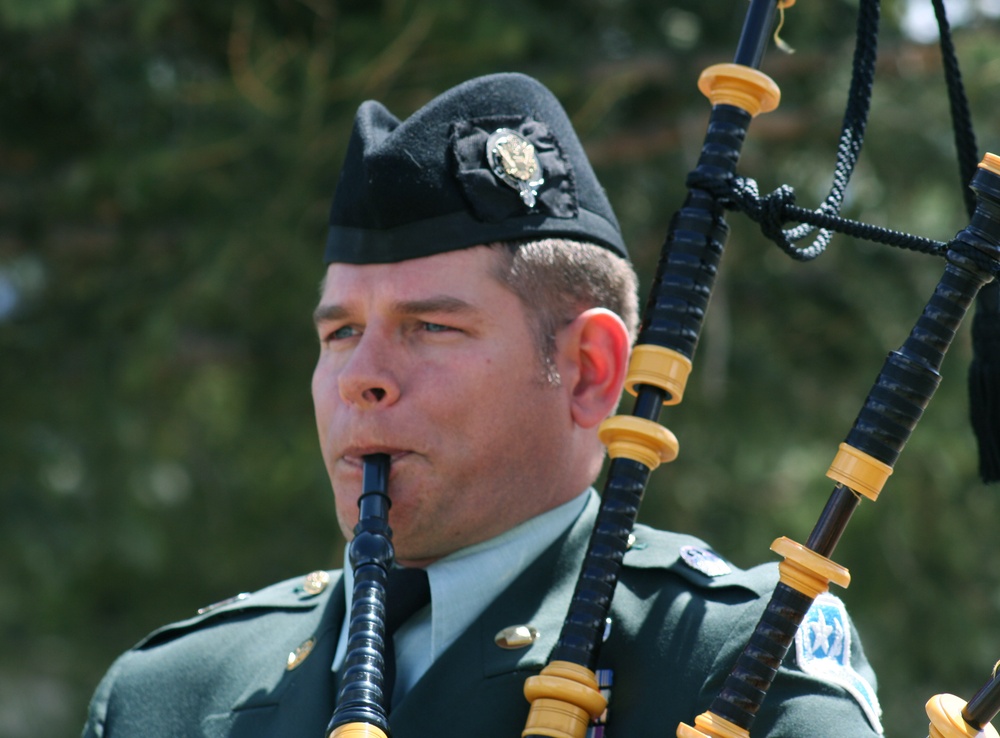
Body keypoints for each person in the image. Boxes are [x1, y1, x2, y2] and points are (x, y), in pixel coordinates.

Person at [82, 73, 883, 738]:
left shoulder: (735, 662)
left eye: (429, 327)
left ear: (587, 371)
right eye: (340, 334)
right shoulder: (166, 697)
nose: (362, 377)